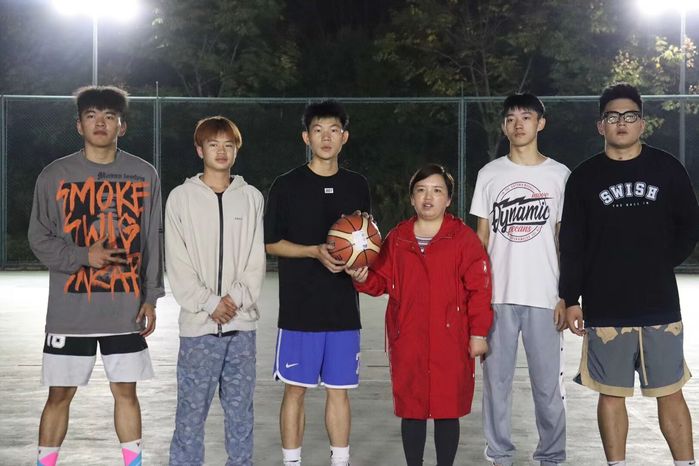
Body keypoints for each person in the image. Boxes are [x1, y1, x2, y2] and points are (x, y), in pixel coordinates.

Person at [559, 83, 699, 466]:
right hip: (606, 306)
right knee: (611, 393)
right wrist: (570, 297)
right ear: (600, 125)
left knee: (670, 391)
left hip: (659, 304)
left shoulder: (666, 168)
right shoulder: (584, 178)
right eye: (613, 116)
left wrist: (661, 260)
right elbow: (572, 243)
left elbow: (690, 224)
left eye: (630, 115)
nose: (621, 122)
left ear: (642, 123)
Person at [28, 85, 163, 466]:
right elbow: (39, 237)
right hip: (70, 313)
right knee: (59, 395)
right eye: (91, 116)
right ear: (79, 125)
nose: (100, 123)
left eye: (109, 116)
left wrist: (151, 296)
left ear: (122, 126)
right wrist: (83, 256)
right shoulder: (55, 175)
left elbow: (152, 237)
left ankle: (133, 463)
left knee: (126, 392)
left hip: (124, 309)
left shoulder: (143, 173)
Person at [348, 163, 492, 466]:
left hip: (450, 338)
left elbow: (480, 290)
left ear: (448, 199)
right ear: (412, 198)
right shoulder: (398, 238)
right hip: (408, 336)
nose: (429, 197)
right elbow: (381, 281)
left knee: (447, 409)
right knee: (411, 409)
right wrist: (362, 278)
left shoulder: (463, 239)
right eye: (421, 190)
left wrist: (478, 333)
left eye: (437, 191)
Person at [264, 100, 371, 466]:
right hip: (300, 309)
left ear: (345, 137)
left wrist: (361, 267)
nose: (326, 138)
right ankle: (291, 462)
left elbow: (365, 243)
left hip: (342, 310)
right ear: (306, 137)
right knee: (295, 390)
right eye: (318, 130)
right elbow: (270, 242)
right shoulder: (286, 185)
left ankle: (340, 461)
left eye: (334, 130)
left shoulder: (357, 185)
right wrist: (312, 251)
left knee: (340, 391)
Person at [470, 93, 569, 466]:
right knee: (496, 385)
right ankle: (499, 454)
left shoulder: (559, 175)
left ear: (540, 123)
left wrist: (566, 294)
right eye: (511, 118)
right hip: (497, 297)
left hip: (545, 297)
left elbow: (563, 240)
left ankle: (552, 456)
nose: (518, 124)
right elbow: (481, 240)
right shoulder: (490, 174)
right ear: (503, 126)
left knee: (548, 387)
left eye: (526, 117)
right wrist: (476, 296)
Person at [165, 116, 265, 466]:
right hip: (198, 329)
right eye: (213, 144)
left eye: (228, 145)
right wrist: (209, 302)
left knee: (240, 417)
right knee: (190, 417)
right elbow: (177, 262)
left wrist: (234, 300)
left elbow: (255, 259)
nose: (221, 151)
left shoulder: (251, 198)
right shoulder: (180, 199)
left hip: (241, 328)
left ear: (236, 150)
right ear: (199, 150)